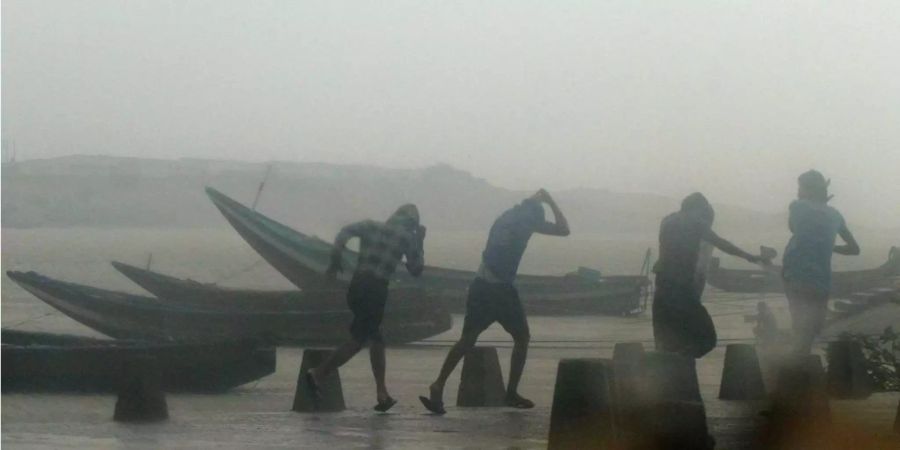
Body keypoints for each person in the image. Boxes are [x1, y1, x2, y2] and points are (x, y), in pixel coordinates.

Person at [420, 189, 569, 414]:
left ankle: (438, 384)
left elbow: (523, 209)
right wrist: (550, 201)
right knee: (522, 337)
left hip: (480, 285)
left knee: (467, 339)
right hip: (500, 290)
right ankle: (511, 392)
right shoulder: (526, 224)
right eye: (538, 220)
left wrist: (534, 200)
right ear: (534, 218)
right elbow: (563, 229)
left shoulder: (506, 217)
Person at [306, 204, 426, 412]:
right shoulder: (407, 237)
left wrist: (336, 258)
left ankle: (382, 393)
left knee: (376, 338)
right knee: (359, 339)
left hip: (357, 286)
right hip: (376, 290)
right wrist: (420, 241)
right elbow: (416, 270)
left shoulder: (370, 225)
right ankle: (318, 373)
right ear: (413, 224)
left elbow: (344, 232)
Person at [653, 193, 770, 358]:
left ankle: (662, 374)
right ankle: (682, 361)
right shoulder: (695, 222)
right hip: (682, 288)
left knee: (665, 341)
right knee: (707, 339)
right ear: (697, 210)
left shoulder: (667, 221)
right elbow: (722, 244)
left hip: (662, 286)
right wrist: (750, 257)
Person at [782, 170, 859, 356]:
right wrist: (829, 246)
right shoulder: (835, 214)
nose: (798, 192)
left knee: (799, 324)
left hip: (796, 274)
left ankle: (795, 368)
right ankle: (802, 364)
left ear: (808, 189)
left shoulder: (797, 206)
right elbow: (854, 249)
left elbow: (793, 227)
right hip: (821, 279)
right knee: (812, 328)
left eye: (800, 187)